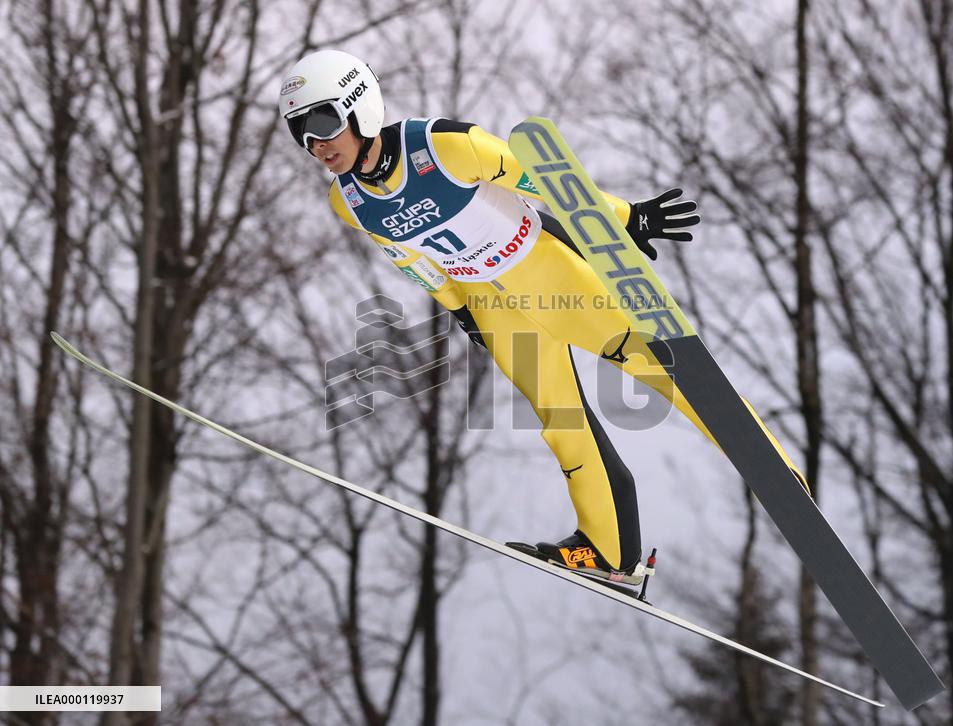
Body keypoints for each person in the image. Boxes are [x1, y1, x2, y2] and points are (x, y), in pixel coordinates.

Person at [278, 49, 808, 587]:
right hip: (495, 306)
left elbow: (549, 183)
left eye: (322, 122)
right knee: (563, 424)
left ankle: (777, 474)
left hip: (551, 274)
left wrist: (628, 218)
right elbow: (415, 263)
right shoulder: (348, 202)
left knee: (661, 368)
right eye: (300, 132)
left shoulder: (446, 147)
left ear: (359, 106)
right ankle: (609, 550)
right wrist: (464, 314)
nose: (316, 144)